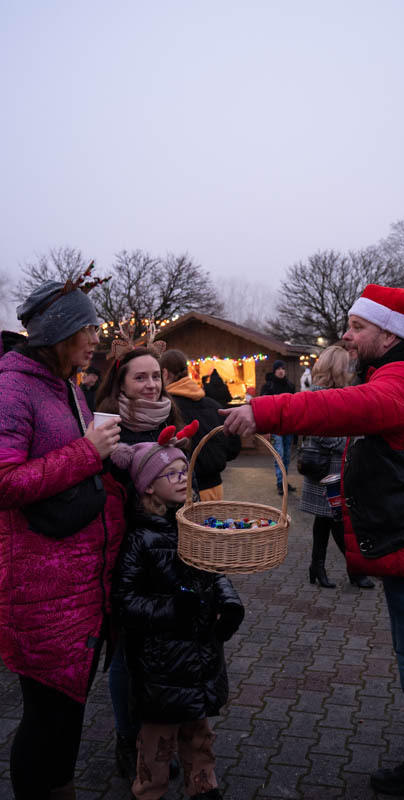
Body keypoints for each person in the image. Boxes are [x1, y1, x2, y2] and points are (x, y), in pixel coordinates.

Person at [220, 283, 404, 800]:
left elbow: (344, 408)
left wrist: (266, 411)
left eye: (358, 327)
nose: (347, 334)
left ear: (388, 333)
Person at [0, 277, 125, 800]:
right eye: (88, 327)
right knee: (46, 716)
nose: (97, 337)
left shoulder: (68, 386)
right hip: (40, 584)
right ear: (58, 332)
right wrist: (88, 452)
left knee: (69, 711)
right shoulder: (12, 387)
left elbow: (82, 473)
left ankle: (62, 789)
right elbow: (5, 482)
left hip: (82, 583)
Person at [111, 425, 244, 800]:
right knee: (156, 746)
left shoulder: (194, 524)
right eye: (172, 474)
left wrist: (229, 602)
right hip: (161, 667)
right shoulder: (140, 540)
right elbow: (125, 602)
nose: (183, 478)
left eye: (185, 471)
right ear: (148, 486)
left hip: (200, 656)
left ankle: (204, 789)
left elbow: (213, 571)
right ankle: (149, 791)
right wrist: (172, 608)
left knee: (200, 737)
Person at [96, 346, 182, 781]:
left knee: (171, 650)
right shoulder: (109, 428)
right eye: (140, 378)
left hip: (175, 549)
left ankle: (165, 735)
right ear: (121, 383)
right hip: (128, 553)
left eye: (155, 377)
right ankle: (127, 736)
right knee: (128, 654)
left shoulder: (175, 417)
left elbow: (198, 469)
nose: (151, 385)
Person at [300, 345, 374, 590]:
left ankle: (316, 567)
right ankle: (356, 570)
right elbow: (316, 430)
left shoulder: (335, 392)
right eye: (345, 366)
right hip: (326, 467)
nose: (350, 370)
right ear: (336, 368)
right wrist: (347, 440)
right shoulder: (319, 394)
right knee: (338, 520)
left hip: (331, 466)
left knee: (325, 519)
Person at [160, 349, 241, 501]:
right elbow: (233, 446)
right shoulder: (213, 406)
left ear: (164, 373)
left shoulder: (165, 409)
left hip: (181, 492)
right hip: (215, 489)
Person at [260, 359, 297, 495]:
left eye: (283, 368)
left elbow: (295, 406)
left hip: (288, 426)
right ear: (274, 371)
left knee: (287, 455)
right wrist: (265, 428)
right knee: (279, 455)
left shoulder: (290, 385)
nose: (281, 371)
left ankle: (284, 482)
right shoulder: (268, 387)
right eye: (278, 369)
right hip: (275, 427)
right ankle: (280, 483)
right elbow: (263, 409)